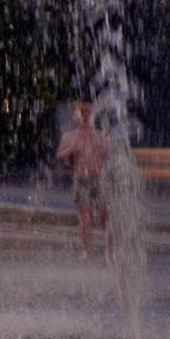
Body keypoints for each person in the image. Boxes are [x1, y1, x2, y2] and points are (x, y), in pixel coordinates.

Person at [55, 99, 111, 260]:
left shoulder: (99, 135)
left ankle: (110, 249)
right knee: (85, 217)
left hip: (100, 178)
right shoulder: (70, 136)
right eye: (82, 112)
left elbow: (110, 154)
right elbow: (58, 155)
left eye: (89, 112)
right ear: (75, 116)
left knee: (105, 215)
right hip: (82, 179)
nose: (86, 115)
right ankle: (87, 250)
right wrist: (70, 149)